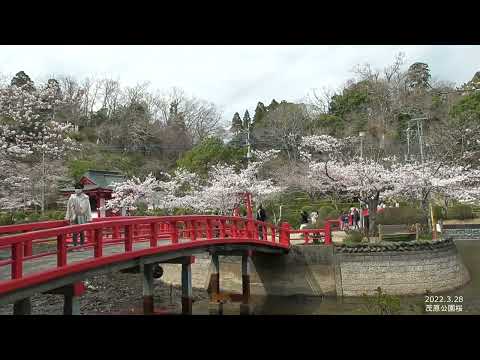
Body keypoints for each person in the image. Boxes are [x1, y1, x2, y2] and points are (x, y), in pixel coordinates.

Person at [65, 183, 92, 248]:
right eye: (76, 188)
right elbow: (68, 208)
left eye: (79, 188)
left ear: (82, 189)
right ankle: (75, 246)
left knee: (82, 232)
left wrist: (89, 218)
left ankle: (82, 245)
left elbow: (88, 208)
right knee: (74, 232)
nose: (77, 190)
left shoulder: (85, 197)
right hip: (74, 216)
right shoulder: (72, 197)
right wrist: (67, 217)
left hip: (82, 215)